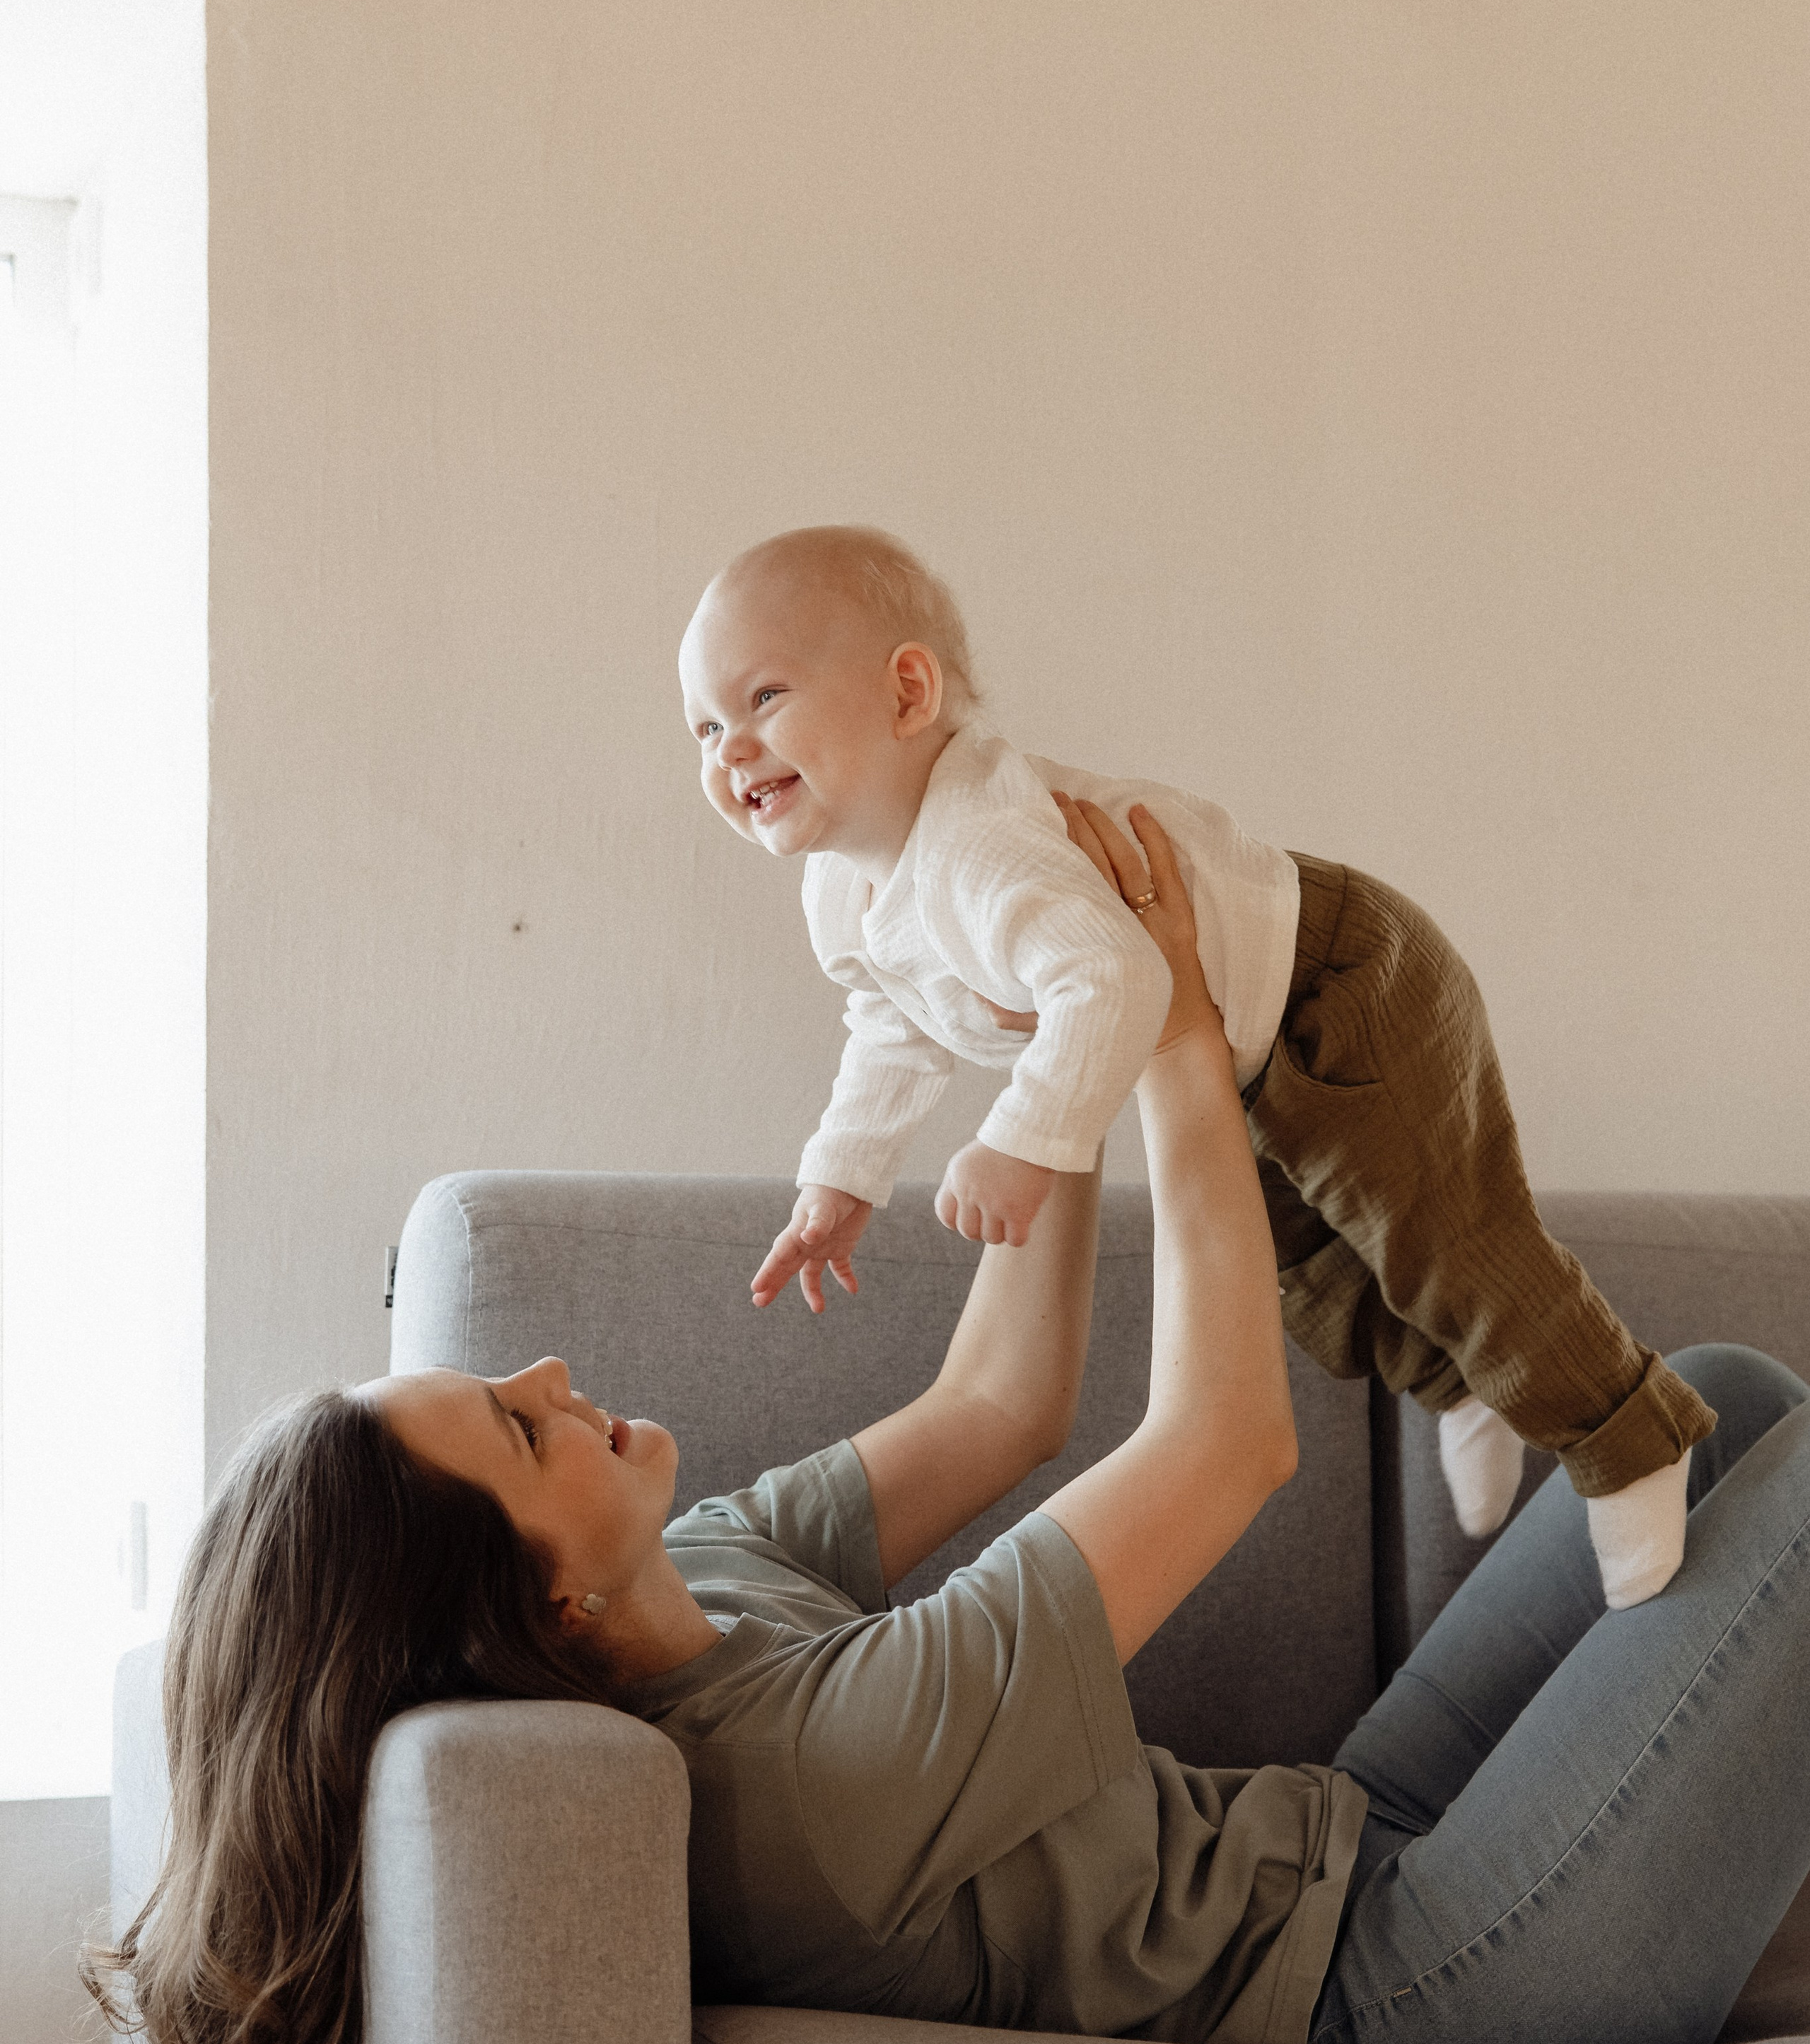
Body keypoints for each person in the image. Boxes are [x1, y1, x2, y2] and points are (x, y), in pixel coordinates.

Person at [93, 802, 1810, 2044]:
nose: (550, 1381)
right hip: (1423, 1986)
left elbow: (1000, 1405)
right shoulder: (796, 1788)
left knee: (1705, 1410)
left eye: (507, 1387)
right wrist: (1172, 1049)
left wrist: (1048, 1036)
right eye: (519, 1432)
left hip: (1344, 1834)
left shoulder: (698, 1572)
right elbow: (1226, 1444)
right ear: (544, 1605)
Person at [679, 522, 1715, 1609]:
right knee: (1311, 1260)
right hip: (1245, 1053)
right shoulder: (843, 891)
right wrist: (842, 1176)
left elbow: (1118, 979)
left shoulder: (980, 843)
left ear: (906, 693)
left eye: (762, 700)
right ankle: (1462, 1388)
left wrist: (1020, 1140)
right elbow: (889, 1025)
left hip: (1345, 977)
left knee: (1448, 1240)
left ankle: (1634, 1441)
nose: (727, 749)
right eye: (703, 725)